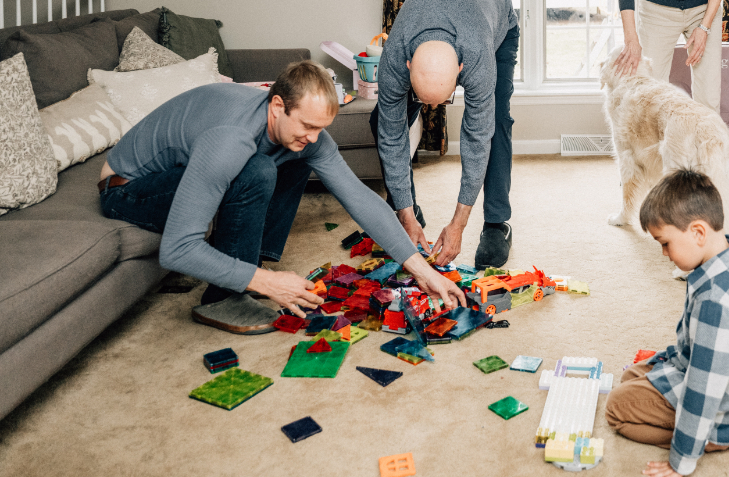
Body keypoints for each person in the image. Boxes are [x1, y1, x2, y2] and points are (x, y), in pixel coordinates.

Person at [98, 61, 465, 335]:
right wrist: (267, 283)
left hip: (187, 170)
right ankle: (223, 296)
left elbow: (360, 198)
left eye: (321, 128)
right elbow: (177, 249)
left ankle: (249, 261)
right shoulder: (231, 140)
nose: (314, 136)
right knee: (256, 169)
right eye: (307, 125)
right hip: (127, 188)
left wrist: (422, 269)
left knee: (292, 156)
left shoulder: (303, 133)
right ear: (277, 106)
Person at [604, 170, 729, 477]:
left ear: (698, 233)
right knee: (630, 375)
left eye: (665, 243)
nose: (664, 254)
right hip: (721, 381)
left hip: (720, 403)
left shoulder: (716, 304)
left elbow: (702, 391)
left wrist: (683, 458)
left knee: (617, 409)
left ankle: (721, 438)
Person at [370, 0, 519, 270]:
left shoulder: (477, 57)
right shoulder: (393, 57)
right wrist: (406, 212)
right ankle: (405, 210)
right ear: (408, 65)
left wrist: (458, 224)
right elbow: (391, 135)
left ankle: (496, 225)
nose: (434, 109)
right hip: (432, 20)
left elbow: (477, 138)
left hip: (496, 24)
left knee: (495, 123)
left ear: (461, 71)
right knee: (381, 120)